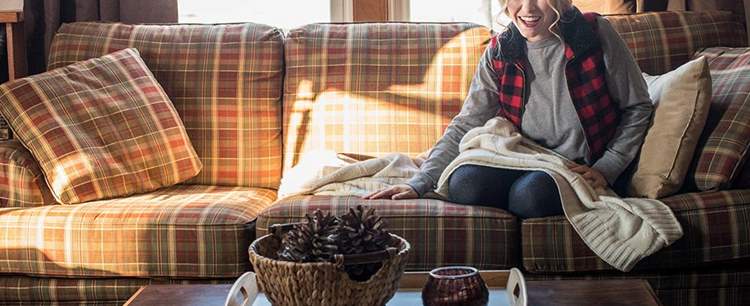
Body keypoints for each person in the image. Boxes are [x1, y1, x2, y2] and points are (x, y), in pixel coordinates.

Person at [365, 0, 653, 219]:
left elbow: (638, 106)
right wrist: (419, 182)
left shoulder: (593, 34)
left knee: (530, 196)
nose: (527, 9)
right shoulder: (501, 49)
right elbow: (467, 122)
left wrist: (608, 167)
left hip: (570, 167)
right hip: (520, 156)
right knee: (465, 185)